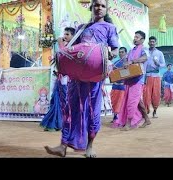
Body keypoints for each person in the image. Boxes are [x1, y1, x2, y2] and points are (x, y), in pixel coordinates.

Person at [44, 0, 119, 158]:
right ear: (92, 6)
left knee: (92, 112)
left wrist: (106, 54)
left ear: (107, 9)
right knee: (70, 109)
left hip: (94, 78)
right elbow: (73, 50)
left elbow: (116, 51)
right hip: (77, 78)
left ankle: (89, 146)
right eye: (97, 4)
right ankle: (63, 146)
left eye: (103, 5)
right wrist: (60, 59)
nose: (99, 8)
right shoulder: (81, 28)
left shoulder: (109, 28)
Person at [113, 30, 150, 131]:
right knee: (137, 101)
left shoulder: (145, 49)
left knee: (131, 102)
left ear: (142, 40)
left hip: (138, 79)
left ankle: (129, 123)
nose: (135, 38)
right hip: (130, 79)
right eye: (135, 36)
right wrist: (124, 62)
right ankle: (147, 119)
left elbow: (145, 58)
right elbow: (126, 61)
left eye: (137, 37)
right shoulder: (131, 50)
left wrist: (132, 61)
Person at [40, 27, 75, 131]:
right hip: (60, 79)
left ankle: (65, 123)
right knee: (55, 101)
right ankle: (53, 123)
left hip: (69, 80)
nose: (65, 36)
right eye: (64, 34)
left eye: (67, 34)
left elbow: (66, 57)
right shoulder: (63, 46)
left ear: (73, 36)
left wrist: (60, 44)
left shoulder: (74, 47)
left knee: (66, 102)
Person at [143, 36, 166, 118]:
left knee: (156, 94)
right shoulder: (145, 52)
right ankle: (145, 112)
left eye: (153, 42)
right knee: (146, 94)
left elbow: (163, 64)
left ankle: (155, 111)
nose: (152, 43)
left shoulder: (159, 53)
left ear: (156, 43)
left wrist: (158, 64)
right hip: (147, 76)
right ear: (148, 43)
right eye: (151, 42)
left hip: (156, 76)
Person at [110, 47, 127, 123]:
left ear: (126, 53)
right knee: (114, 102)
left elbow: (128, 74)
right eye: (120, 52)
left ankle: (120, 118)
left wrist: (120, 70)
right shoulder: (116, 63)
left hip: (123, 85)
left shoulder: (128, 63)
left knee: (121, 102)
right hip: (115, 85)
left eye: (122, 52)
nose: (121, 53)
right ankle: (115, 116)